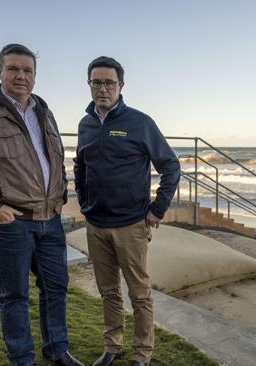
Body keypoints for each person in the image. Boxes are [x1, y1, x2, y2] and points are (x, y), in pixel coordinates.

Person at [0, 44, 84, 366]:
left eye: (27, 70)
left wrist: (60, 197)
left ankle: (57, 350)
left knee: (56, 288)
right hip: (11, 222)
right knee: (15, 295)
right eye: (13, 69)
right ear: (0, 72)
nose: (21, 76)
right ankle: (22, 358)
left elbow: (55, 159)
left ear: (35, 75)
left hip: (50, 220)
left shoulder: (43, 112)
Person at [73, 56, 180, 366]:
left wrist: (157, 210)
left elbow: (170, 166)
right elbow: (80, 165)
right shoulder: (86, 124)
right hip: (96, 224)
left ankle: (142, 354)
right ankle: (112, 346)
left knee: (139, 294)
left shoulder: (140, 122)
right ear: (89, 85)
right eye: (97, 82)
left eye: (109, 82)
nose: (103, 88)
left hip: (131, 225)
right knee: (108, 291)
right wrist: (83, 200)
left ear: (121, 85)